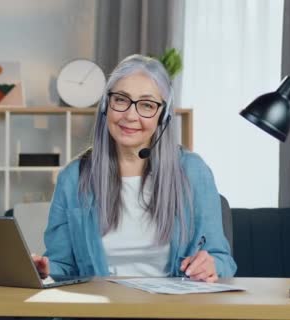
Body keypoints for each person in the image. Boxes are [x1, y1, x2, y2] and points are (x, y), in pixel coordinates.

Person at [32, 54, 236, 282]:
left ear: (163, 117)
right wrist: (46, 269)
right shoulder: (74, 177)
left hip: (173, 311)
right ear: (105, 106)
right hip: (100, 312)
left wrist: (212, 265)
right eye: (121, 100)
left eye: (147, 105)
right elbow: (63, 264)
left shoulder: (193, 172)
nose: (130, 115)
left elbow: (223, 261)